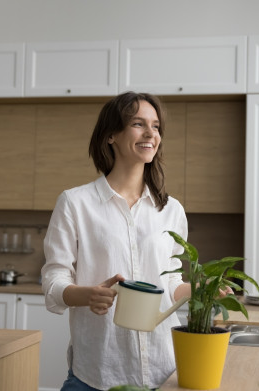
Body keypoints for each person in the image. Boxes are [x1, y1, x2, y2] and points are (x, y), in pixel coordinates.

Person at [41, 91, 192, 391]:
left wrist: (203, 289)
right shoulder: (75, 203)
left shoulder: (171, 210)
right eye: (138, 124)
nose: (151, 133)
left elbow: (171, 283)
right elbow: (53, 282)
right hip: (97, 375)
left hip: (164, 372)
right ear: (111, 135)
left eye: (156, 126)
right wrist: (87, 295)